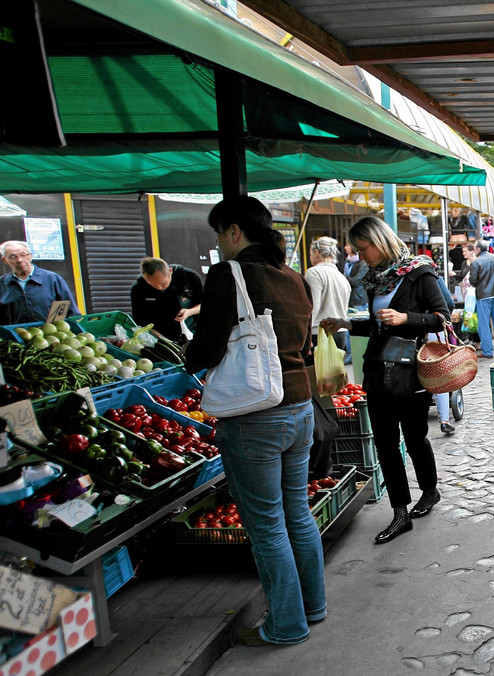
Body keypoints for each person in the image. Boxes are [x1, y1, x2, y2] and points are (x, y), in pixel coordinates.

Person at [183, 196, 323, 647]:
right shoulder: (295, 278)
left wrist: (189, 360)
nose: (220, 243)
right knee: (297, 513)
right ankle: (313, 606)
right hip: (300, 408)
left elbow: (206, 345)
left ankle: (285, 624)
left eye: (220, 234)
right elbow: (304, 346)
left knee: (265, 525)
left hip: (254, 416)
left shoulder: (230, 274)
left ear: (235, 231)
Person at [320, 217, 449, 544]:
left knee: (416, 437)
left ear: (379, 241)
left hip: (410, 372)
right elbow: (380, 327)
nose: (361, 257)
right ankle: (400, 512)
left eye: (364, 249)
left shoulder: (419, 271)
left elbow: (441, 316)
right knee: (385, 445)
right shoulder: (376, 279)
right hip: (377, 370)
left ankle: (429, 491)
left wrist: (407, 318)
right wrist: (346, 323)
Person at [416, 255, 456, 436]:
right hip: (433, 331)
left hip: (418, 332)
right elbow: (449, 304)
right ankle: (444, 419)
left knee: (424, 371)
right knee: (439, 373)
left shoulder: (412, 280)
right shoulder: (434, 279)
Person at [0, 241, 79, 325]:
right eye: (13, 257)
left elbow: (70, 311)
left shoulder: (52, 279)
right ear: (5, 260)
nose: (19, 260)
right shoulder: (2, 284)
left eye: (23, 255)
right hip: (16, 336)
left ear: (30, 256)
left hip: (51, 335)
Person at [130, 257, 203, 343]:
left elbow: (206, 305)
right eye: (153, 284)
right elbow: (141, 323)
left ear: (170, 271)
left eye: (163, 283)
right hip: (158, 338)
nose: (159, 287)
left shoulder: (190, 278)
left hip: (192, 332)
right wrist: (164, 341)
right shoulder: (138, 288)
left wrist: (189, 312)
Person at [305, 237, 352, 363]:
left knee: (317, 378)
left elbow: (312, 306)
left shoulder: (313, 273)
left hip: (318, 333)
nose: (310, 257)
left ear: (316, 252)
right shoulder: (341, 277)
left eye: (310, 254)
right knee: (334, 378)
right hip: (340, 333)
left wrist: (305, 334)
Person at [469, 240, 494, 358]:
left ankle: (487, 351)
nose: (474, 251)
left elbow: (473, 281)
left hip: (484, 295)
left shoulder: (476, 262)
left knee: (484, 324)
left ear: (479, 249)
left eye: (475, 248)